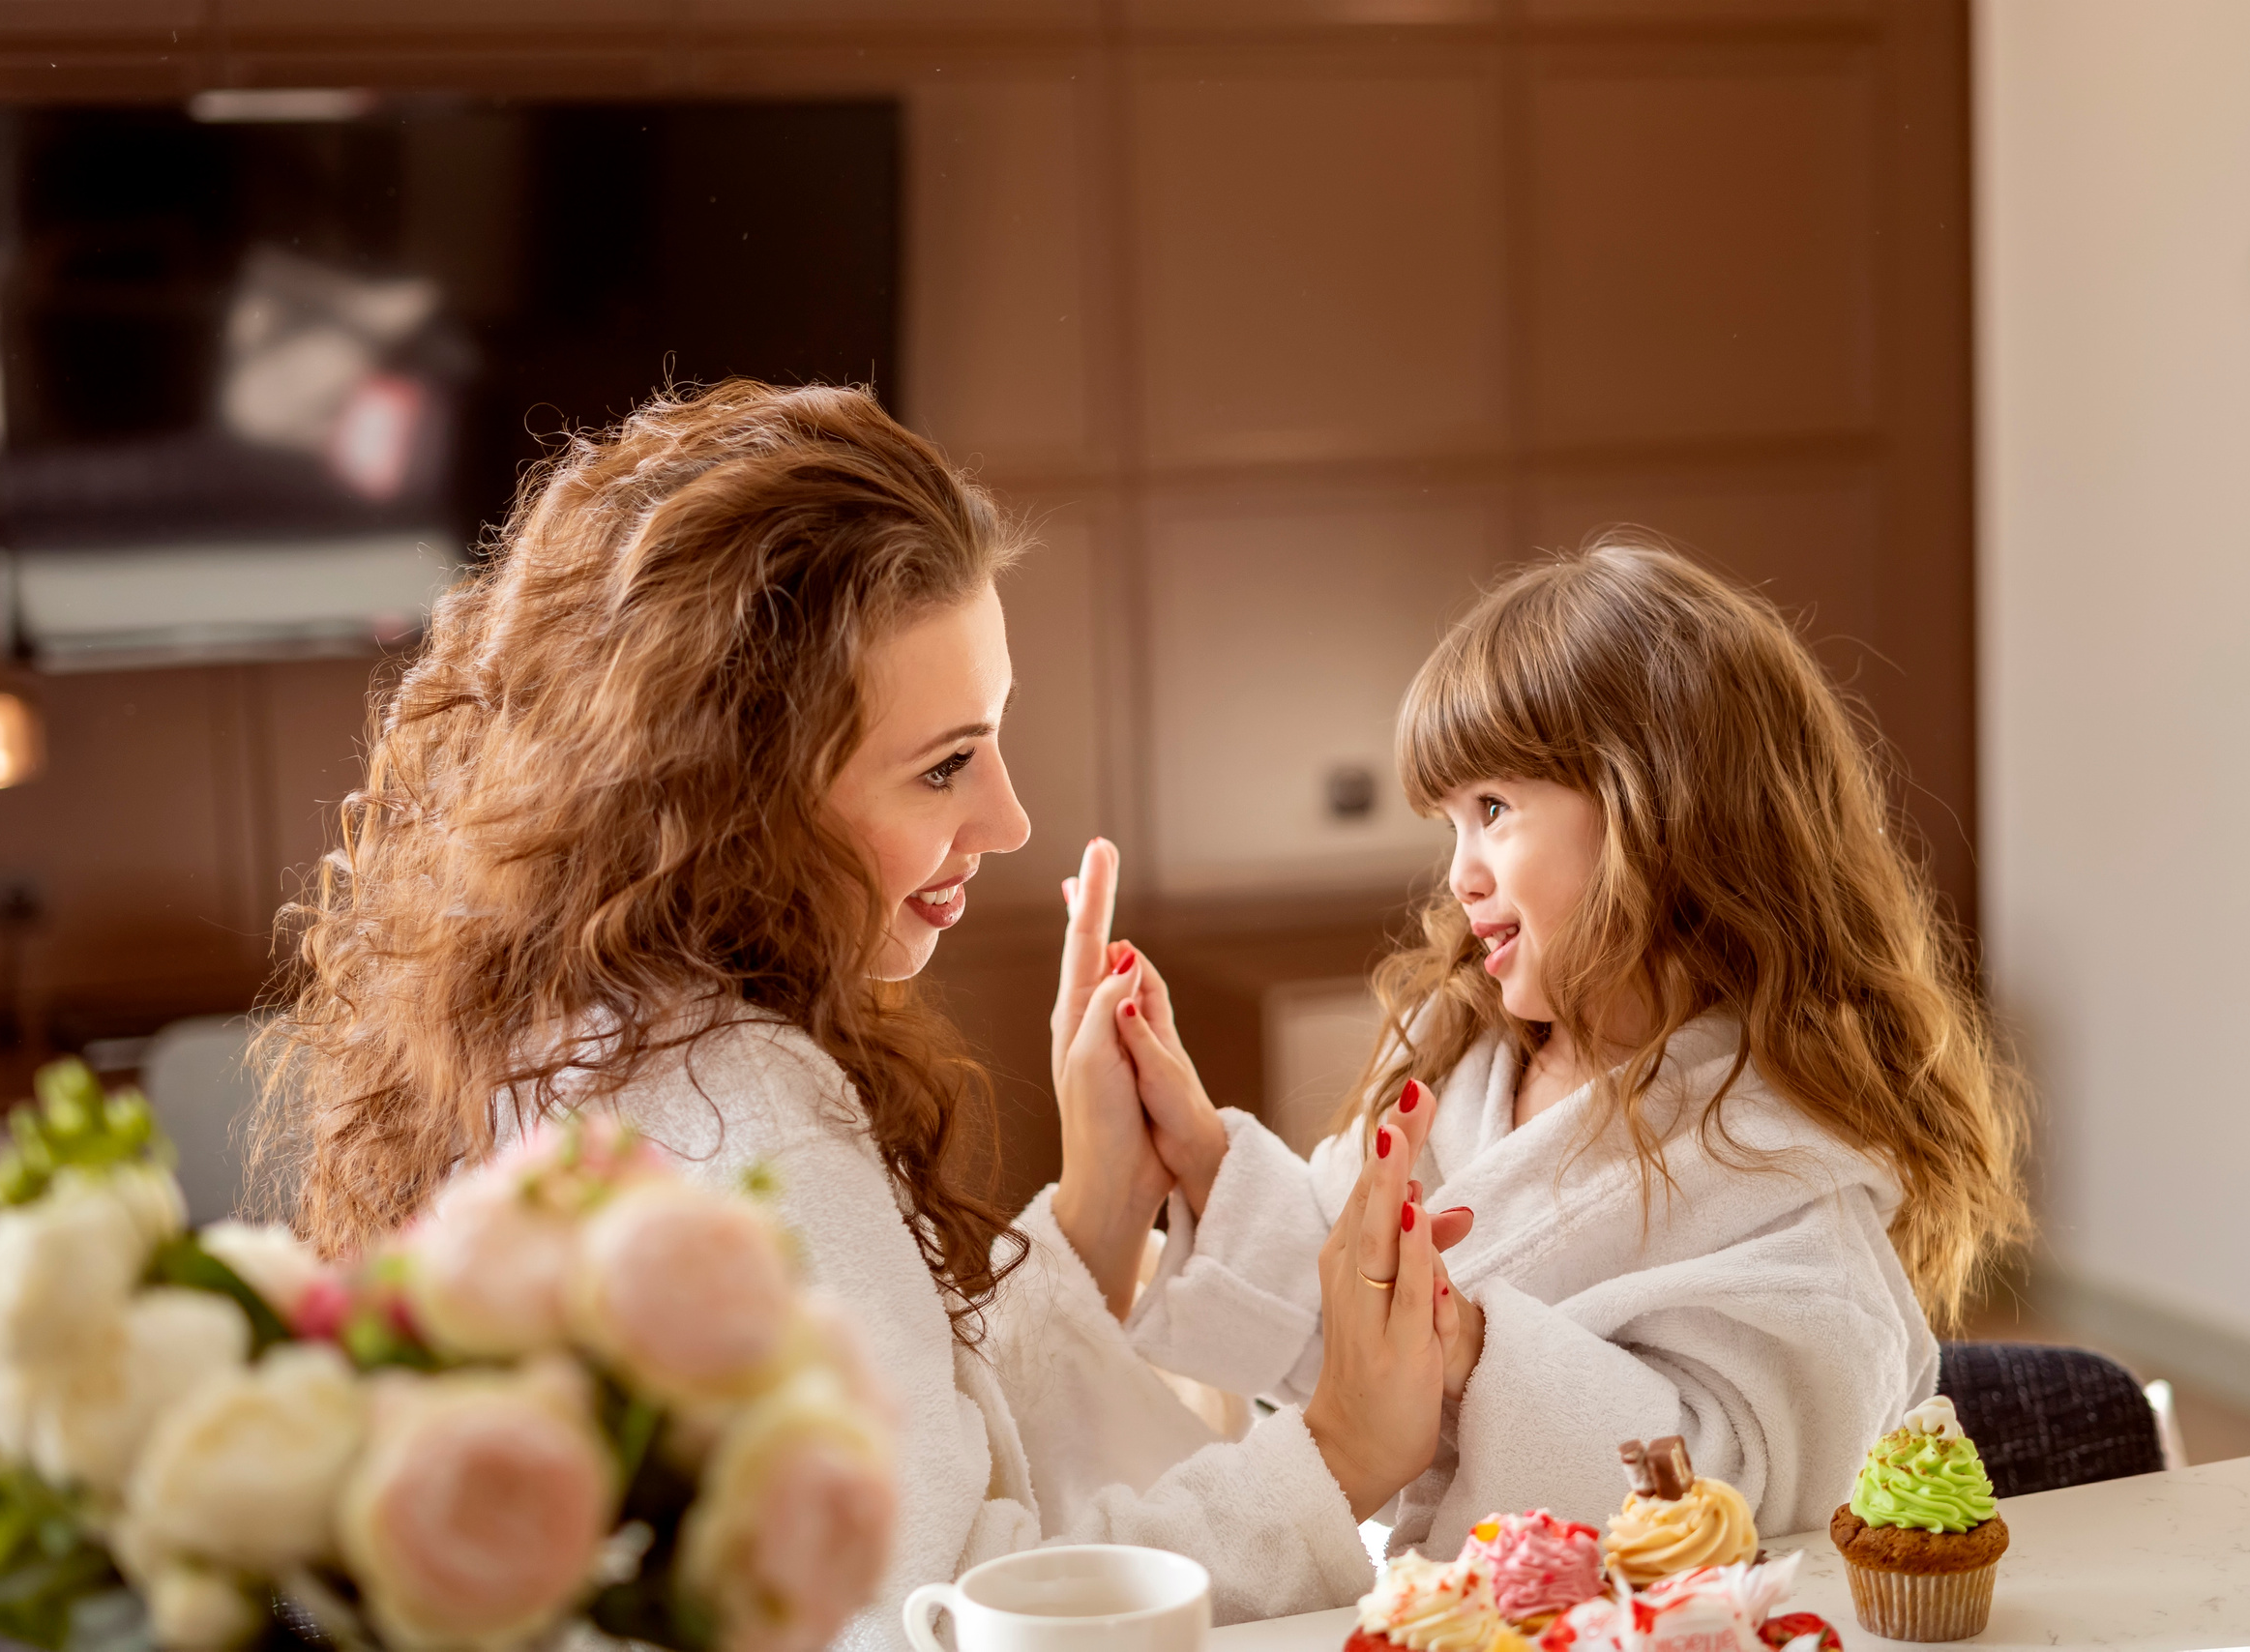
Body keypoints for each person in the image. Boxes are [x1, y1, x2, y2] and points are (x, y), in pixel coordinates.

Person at [255, 380, 1447, 1645]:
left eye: (992, 741)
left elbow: (919, 1469)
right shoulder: (742, 1097)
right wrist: (1333, 1460)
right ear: (740, 794)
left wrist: (1100, 1213)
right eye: (944, 766)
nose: (1007, 821)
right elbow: (938, 1621)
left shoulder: (582, 1023)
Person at [1074, 538, 2031, 1554]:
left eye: (1492, 811)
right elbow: (1340, 1338)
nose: (1460, 875)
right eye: (1448, 825)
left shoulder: (1785, 1161)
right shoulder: (1458, 1057)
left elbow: (1735, 1490)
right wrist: (1205, 1160)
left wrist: (1473, 1349)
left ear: (1657, 811)